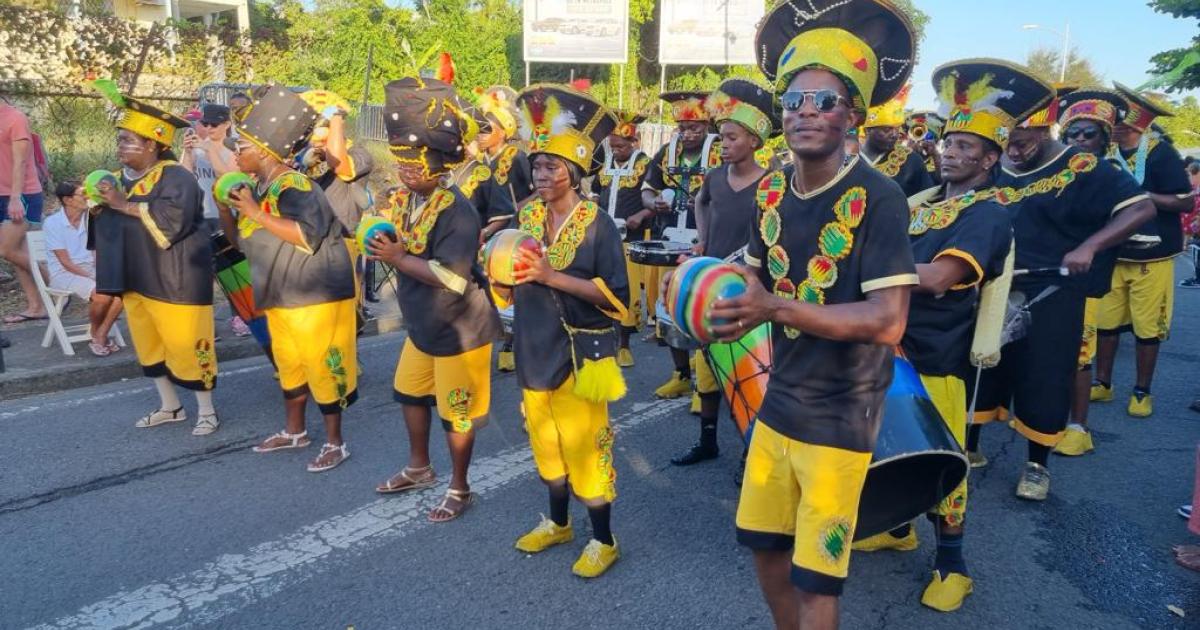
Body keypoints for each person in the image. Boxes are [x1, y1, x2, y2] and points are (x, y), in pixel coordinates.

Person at [713, 2, 920, 626]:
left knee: (818, 583)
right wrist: (722, 291)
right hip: (778, 403)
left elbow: (888, 321)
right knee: (765, 555)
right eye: (795, 101)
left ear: (852, 114)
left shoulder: (879, 198)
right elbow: (755, 266)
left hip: (841, 418)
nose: (807, 112)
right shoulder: (771, 189)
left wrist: (773, 305)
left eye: (824, 102)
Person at [855, 60, 1034, 613]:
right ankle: (900, 529)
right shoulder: (920, 204)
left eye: (966, 147)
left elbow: (939, 278)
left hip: (938, 357)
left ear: (991, 158)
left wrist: (868, 272)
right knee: (882, 448)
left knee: (942, 464)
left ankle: (952, 563)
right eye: (948, 142)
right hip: (886, 346)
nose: (951, 152)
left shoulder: (988, 214)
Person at [971, 75, 1155, 501]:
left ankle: (1037, 465)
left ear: (1044, 128)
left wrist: (1090, 245)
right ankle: (971, 446)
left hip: (1054, 292)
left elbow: (1142, 208)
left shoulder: (1087, 168)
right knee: (982, 365)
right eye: (1008, 143)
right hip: (997, 287)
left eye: (1022, 140)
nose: (1014, 151)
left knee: (1044, 375)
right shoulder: (1000, 169)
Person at [498, 84, 626, 578]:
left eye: (552, 166)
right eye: (537, 165)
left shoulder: (598, 223)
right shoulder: (526, 215)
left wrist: (552, 276)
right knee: (546, 445)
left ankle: (604, 539)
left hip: (580, 354)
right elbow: (507, 275)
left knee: (586, 449)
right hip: (532, 345)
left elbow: (617, 299)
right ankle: (558, 523)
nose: (542, 173)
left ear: (573, 171)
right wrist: (499, 277)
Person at [368, 77, 501, 522]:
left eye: (413, 163)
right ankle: (419, 468)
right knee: (408, 393)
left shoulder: (457, 210)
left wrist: (398, 256)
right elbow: (404, 243)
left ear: (438, 164)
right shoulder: (408, 199)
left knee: (456, 416)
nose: (404, 170)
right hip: (425, 325)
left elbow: (452, 277)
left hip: (461, 330)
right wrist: (385, 239)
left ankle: (460, 487)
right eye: (401, 161)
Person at [223, 85, 359, 472]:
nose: (236, 153)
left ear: (264, 152)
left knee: (323, 366)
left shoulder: (297, 185)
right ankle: (295, 431)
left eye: (242, 147)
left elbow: (307, 233)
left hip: (313, 294)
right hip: (279, 292)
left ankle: (336, 442)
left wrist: (253, 210)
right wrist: (228, 210)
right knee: (290, 365)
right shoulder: (260, 187)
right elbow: (241, 243)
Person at [90, 82, 221, 436]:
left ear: (152, 144)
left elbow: (172, 220)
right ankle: (171, 406)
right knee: (150, 348)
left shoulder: (177, 177)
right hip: (136, 278)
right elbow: (110, 221)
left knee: (189, 346)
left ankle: (206, 410)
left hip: (176, 279)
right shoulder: (118, 179)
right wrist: (98, 205)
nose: (120, 147)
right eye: (119, 140)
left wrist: (120, 204)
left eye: (127, 141)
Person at [671, 78, 776, 467]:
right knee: (708, 371)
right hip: (711, 284)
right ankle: (708, 440)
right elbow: (701, 202)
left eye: (731, 138)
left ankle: (754, 449)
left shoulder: (772, 182)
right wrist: (703, 241)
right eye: (722, 138)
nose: (724, 144)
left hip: (748, 288)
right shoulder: (715, 177)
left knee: (749, 373)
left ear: (753, 140)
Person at [1090, 84, 1195, 418]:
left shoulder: (1161, 154)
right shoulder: (1106, 155)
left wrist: (1144, 197)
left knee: (1147, 328)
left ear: (1138, 125)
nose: (1116, 128)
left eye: (1122, 123)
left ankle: (1141, 391)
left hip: (1154, 257)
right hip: (1113, 254)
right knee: (1105, 324)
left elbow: (1187, 200)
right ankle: (1103, 383)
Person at [1049, 88, 1129, 456]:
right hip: (1044, 273)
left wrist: (1091, 246)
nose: (1079, 140)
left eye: (1088, 133)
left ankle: (1078, 426)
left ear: (1104, 138)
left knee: (1078, 353)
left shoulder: (1109, 174)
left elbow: (1137, 211)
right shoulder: (1051, 171)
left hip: (1083, 280)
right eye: (1072, 133)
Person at [642, 90, 721, 401]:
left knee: (702, 308)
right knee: (669, 306)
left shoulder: (719, 152)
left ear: (707, 126)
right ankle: (681, 375)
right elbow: (648, 189)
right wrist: (654, 202)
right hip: (670, 239)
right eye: (683, 128)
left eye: (695, 128)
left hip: (707, 242)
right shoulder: (665, 152)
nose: (688, 134)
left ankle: (708, 383)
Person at [473, 86, 534, 373]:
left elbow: (539, 190)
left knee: (510, 285)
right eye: (479, 128)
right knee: (491, 286)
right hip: (487, 230)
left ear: (504, 130)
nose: (480, 133)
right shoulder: (480, 162)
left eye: (487, 128)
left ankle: (510, 343)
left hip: (513, 230)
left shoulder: (517, 157)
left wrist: (523, 203)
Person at [592, 111, 652, 368]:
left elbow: (655, 198)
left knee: (626, 291)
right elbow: (595, 191)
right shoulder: (605, 163)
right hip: (605, 237)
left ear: (634, 142)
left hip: (632, 238)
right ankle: (605, 340)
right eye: (612, 146)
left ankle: (624, 345)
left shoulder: (645, 164)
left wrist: (641, 214)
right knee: (602, 288)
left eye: (621, 146)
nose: (615, 151)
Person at [45, 181, 125, 356]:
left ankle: (99, 333)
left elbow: (97, 251)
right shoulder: (53, 223)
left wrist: (101, 272)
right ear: (67, 200)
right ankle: (97, 334)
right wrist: (93, 277)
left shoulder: (91, 218)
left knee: (122, 291)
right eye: (83, 195)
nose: (88, 198)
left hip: (89, 269)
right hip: (64, 273)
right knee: (102, 295)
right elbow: (65, 262)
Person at [294, 90, 374, 235]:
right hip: (309, 234)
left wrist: (335, 119)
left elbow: (338, 164)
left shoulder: (359, 154)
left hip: (341, 238)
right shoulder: (304, 155)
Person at [0, 99, 47, 324]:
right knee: (18, 253)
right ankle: (36, 306)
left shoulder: (15, 118)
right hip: (2, 194)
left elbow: (20, 162)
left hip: (22, 195)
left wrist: (15, 198)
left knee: (6, 250)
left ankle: (59, 285)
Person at [861, 85, 934, 197]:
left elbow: (925, 197)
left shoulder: (911, 160)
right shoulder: (846, 159)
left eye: (897, 129)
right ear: (867, 131)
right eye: (887, 129)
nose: (895, 134)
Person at [905, 110, 945, 184]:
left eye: (929, 136)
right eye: (918, 134)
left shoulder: (943, 160)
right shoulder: (903, 157)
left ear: (937, 141)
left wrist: (935, 155)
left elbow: (944, 183)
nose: (922, 139)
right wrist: (908, 153)